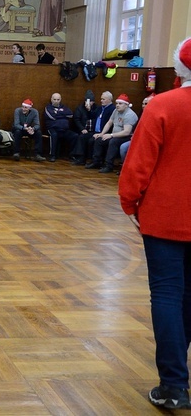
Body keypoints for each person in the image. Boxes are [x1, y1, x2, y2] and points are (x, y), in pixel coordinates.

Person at [118, 37, 191, 410]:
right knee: (188, 296)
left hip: (166, 216)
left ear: (180, 68)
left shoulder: (164, 104)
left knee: (166, 294)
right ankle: (176, 377)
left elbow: (139, 161)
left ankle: (174, 384)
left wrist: (129, 201)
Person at [86, 93, 138, 173]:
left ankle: (108, 165)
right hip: (115, 135)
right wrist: (102, 133)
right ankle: (96, 162)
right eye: (117, 103)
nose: (117, 105)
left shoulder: (129, 115)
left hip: (126, 137)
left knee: (113, 142)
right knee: (99, 139)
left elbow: (127, 132)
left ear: (126, 105)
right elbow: (109, 123)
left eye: (120, 103)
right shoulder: (115, 111)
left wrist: (111, 135)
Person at [72, 90, 108, 165]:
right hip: (84, 130)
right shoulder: (80, 108)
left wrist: (89, 110)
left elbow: (93, 116)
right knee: (81, 137)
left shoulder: (98, 108)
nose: (89, 103)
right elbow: (77, 119)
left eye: (91, 101)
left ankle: (92, 159)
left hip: (95, 131)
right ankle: (80, 158)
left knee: (90, 140)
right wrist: (82, 128)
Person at [43, 92, 77, 162]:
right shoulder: (48, 107)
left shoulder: (64, 107)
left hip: (64, 129)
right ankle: (52, 155)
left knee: (75, 136)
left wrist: (57, 113)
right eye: (54, 99)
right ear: (51, 99)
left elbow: (70, 115)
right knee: (54, 135)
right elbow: (52, 116)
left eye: (58, 99)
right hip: (52, 129)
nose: (56, 101)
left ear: (60, 99)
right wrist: (63, 115)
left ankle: (71, 155)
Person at [120, 94, 154, 162]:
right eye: (143, 104)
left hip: (148, 140)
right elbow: (136, 128)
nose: (143, 105)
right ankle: (126, 167)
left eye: (146, 104)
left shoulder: (155, 115)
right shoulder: (142, 113)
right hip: (137, 138)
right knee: (123, 147)